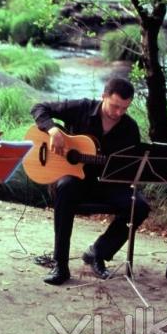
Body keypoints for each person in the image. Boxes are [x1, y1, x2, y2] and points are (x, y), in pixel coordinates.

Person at [30, 77, 150, 285]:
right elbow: (39, 107)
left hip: (107, 184)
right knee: (65, 188)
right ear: (103, 96)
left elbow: (130, 166)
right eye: (115, 106)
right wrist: (52, 129)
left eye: (124, 108)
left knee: (139, 206)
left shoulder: (129, 128)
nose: (118, 113)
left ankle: (99, 252)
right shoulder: (82, 108)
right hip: (74, 180)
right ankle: (61, 265)